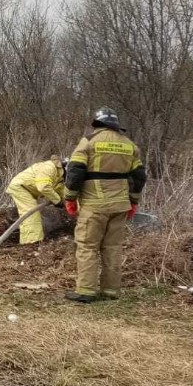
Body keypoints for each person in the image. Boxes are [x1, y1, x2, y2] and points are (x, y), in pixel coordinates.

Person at [62, 107, 147, 302]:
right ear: (117, 125)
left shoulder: (89, 142)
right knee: (113, 247)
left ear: (97, 124)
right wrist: (133, 201)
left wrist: (70, 198)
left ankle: (86, 290)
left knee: (87, 246)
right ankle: (110, 291)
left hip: (94, 205)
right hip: (120, 206)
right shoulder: (130, 146)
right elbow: (139, 177)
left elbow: (75, 171)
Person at [5, 155, 66, 245]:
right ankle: (31, 243)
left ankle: (29, 241)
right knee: (31, 213)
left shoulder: (59, 177)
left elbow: (62, 192)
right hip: (21, 187)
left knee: (30, 215)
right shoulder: (49, 167)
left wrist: (67, 202)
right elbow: (43, 186)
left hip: (28, 190)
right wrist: (57, 201)